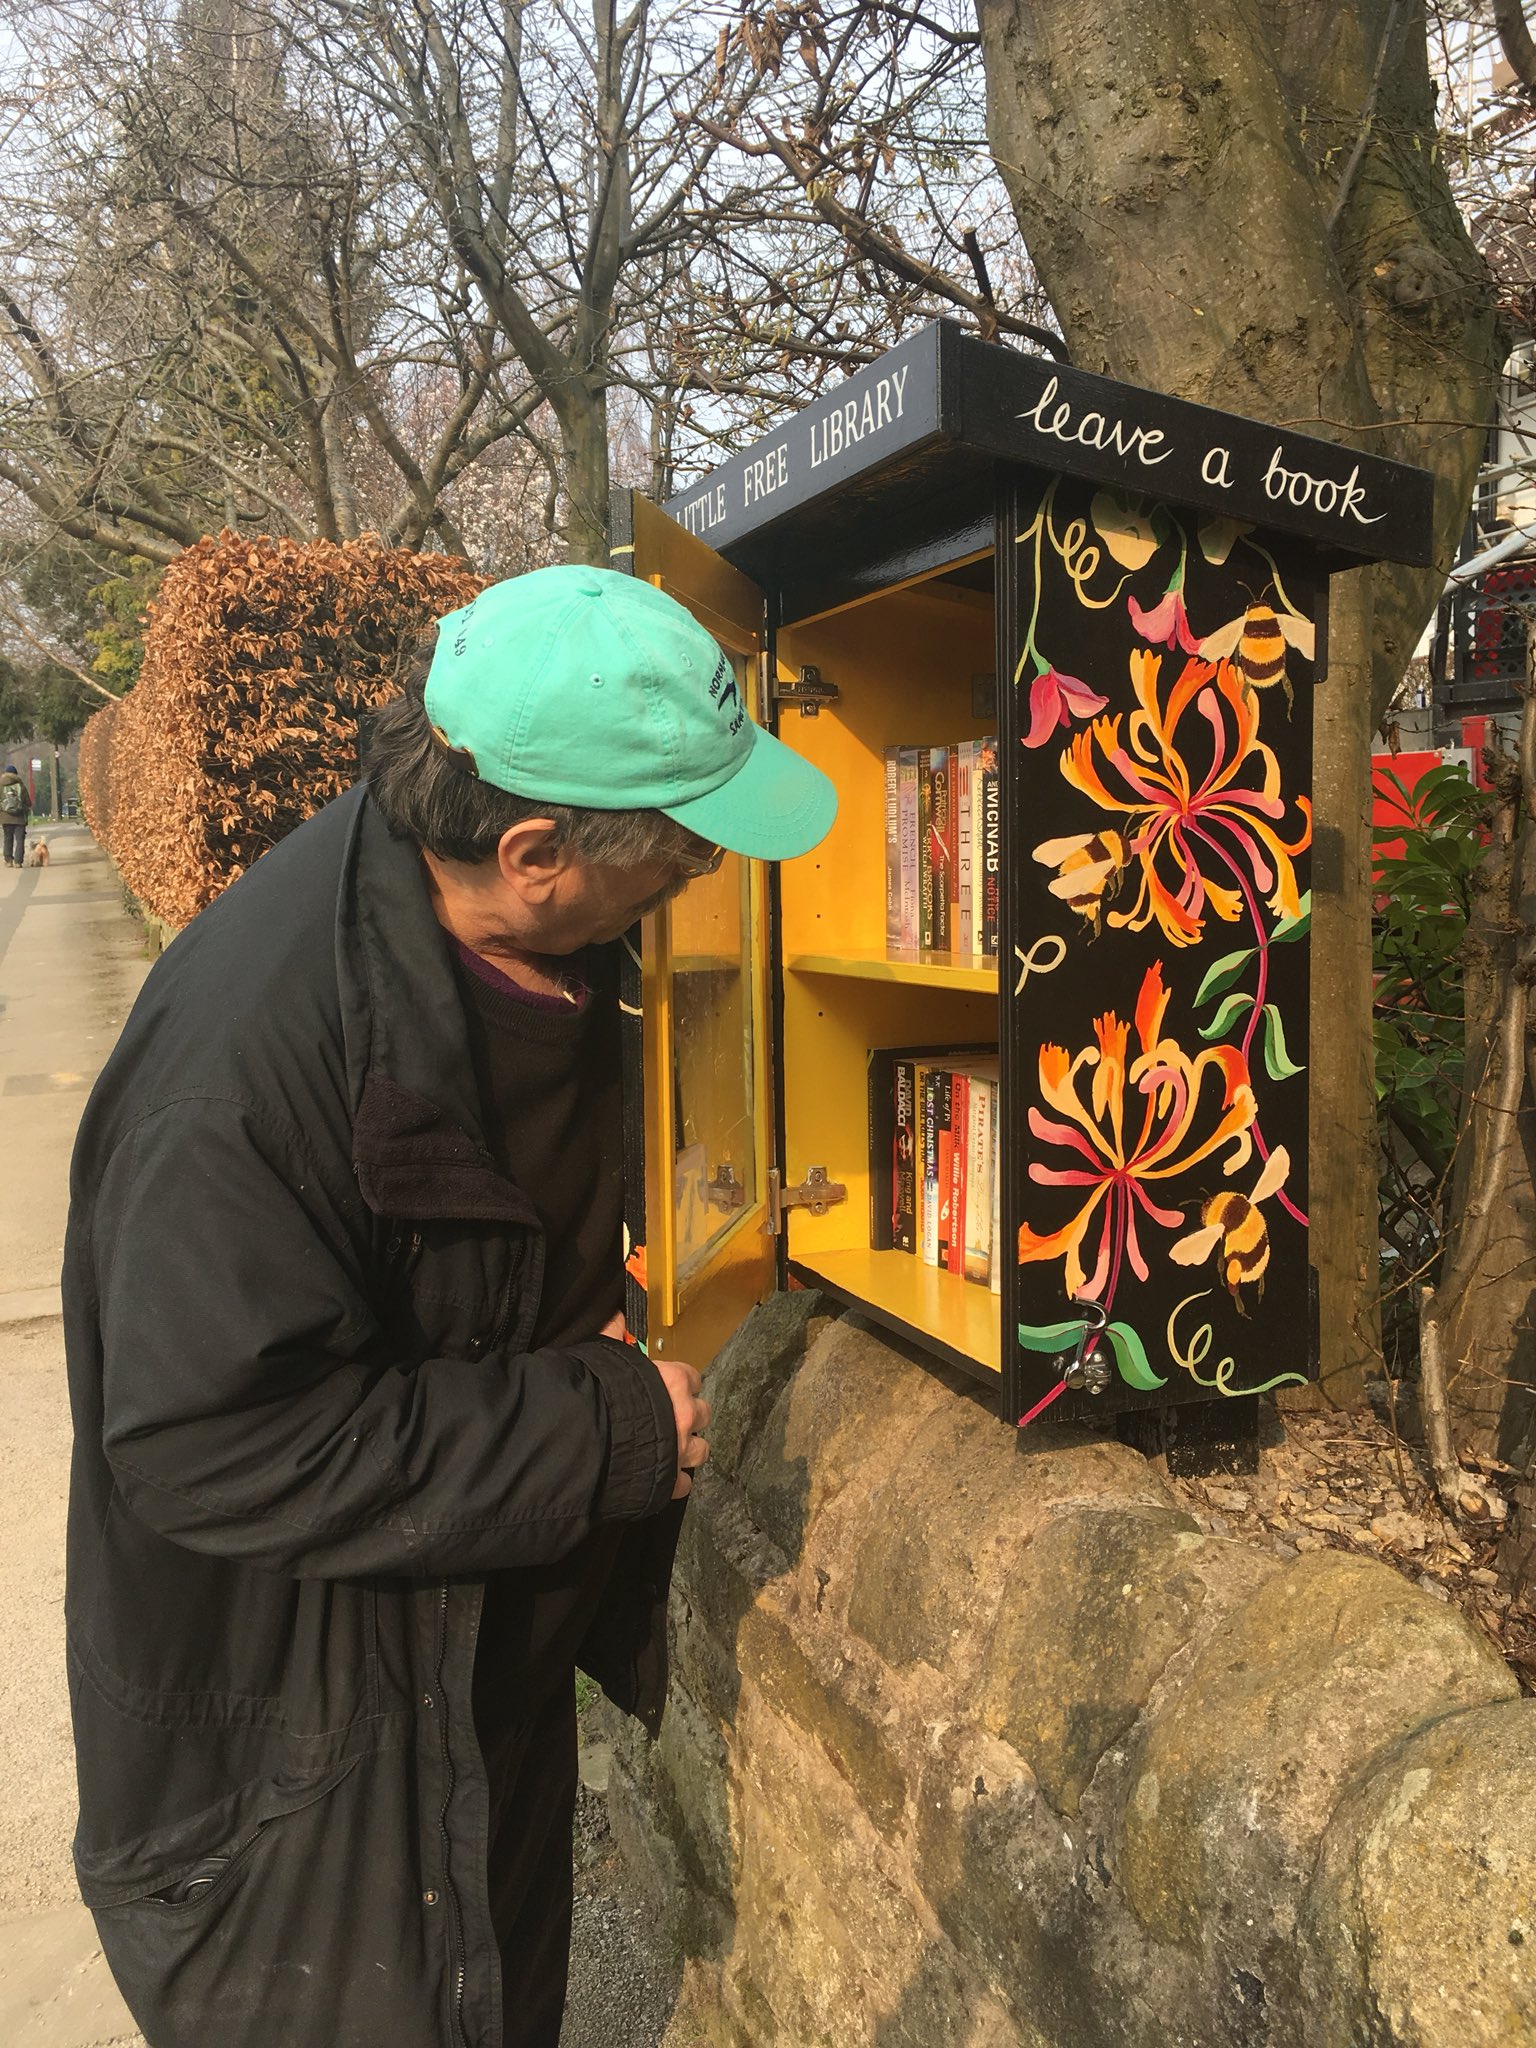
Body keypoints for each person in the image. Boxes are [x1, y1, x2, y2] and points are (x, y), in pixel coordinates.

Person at [63, 566, 836, 2048]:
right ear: (535, 851)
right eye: (677, 851)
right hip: (308, 1775)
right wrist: (602, 1426)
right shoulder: (237, 1075)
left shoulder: (497, 919)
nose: (697, 876)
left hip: (470, 1680)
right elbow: (209, 1439)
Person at [1, 762, 29, 866]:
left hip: (5, 817)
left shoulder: (1, 784)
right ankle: (18, 862)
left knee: (8, 838)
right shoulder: (20, 784)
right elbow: (27, 801)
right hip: (19, 817)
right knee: (20, 840)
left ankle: (8, 860)